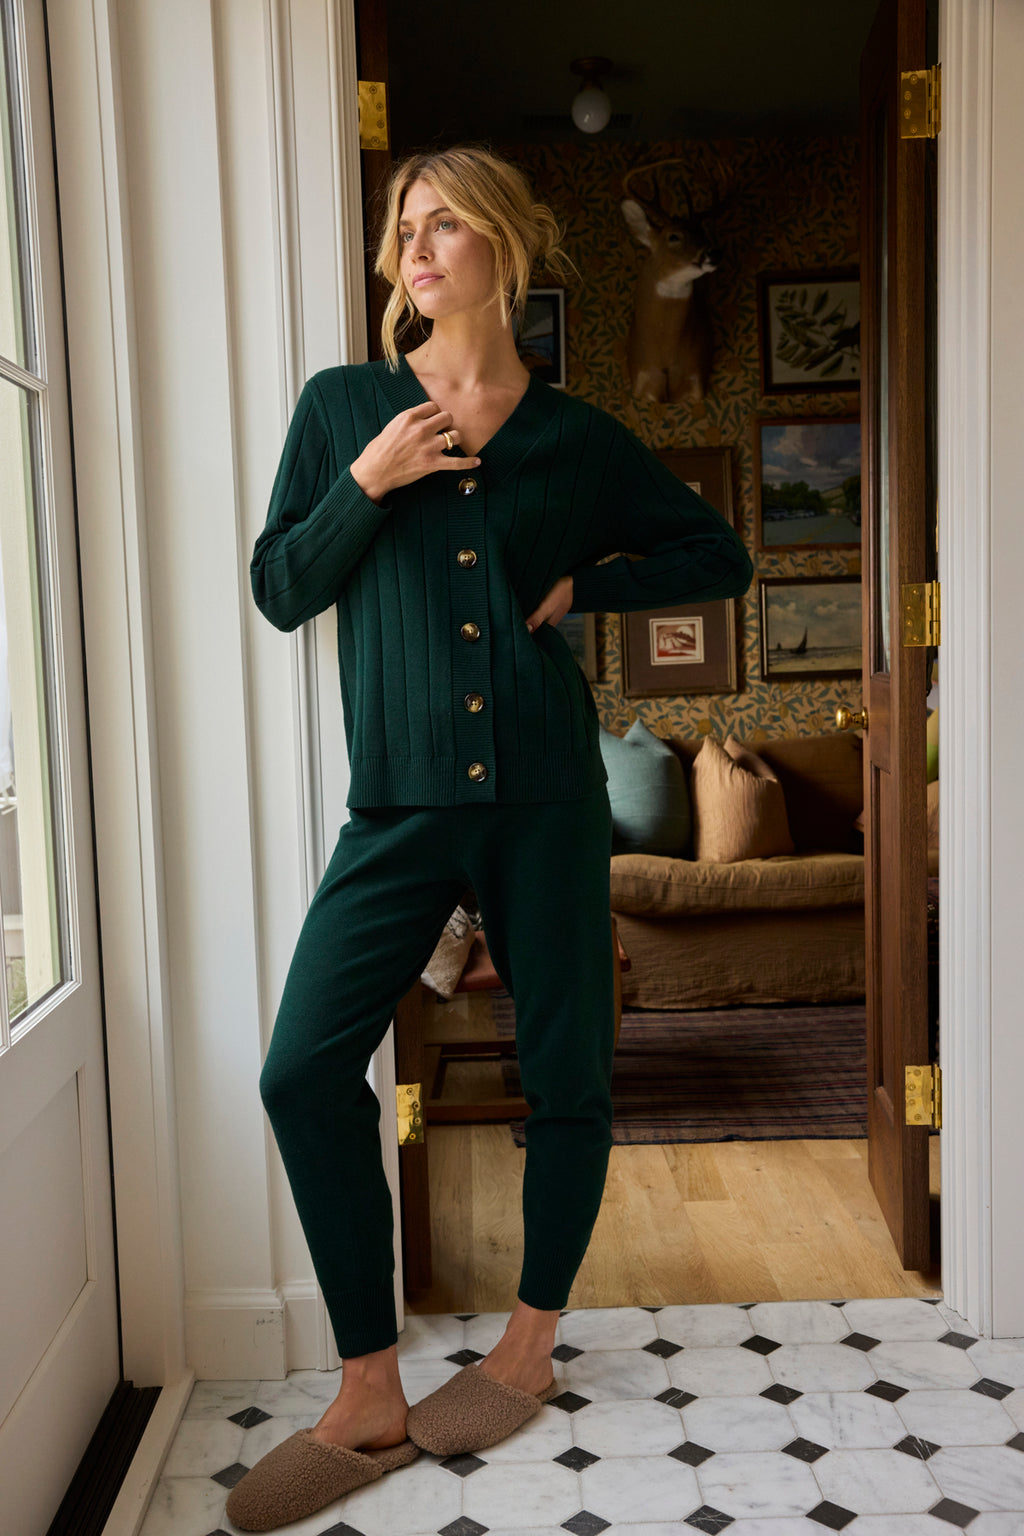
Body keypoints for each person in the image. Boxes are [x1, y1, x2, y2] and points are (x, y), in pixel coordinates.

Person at [226, 144, 753, 1531]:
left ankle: (529, 1342)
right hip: (397, 805)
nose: (416, 241)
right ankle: (368, 1384)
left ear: (504, 250)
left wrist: (589, 578)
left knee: (568, 1067)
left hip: (542, 797)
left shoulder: (573, 439)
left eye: (443, 219)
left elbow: (720, 555)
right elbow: (282, 585)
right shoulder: (347, 406)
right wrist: (369, 480)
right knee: (301, 1071)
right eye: (404, 223)